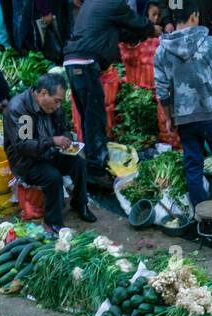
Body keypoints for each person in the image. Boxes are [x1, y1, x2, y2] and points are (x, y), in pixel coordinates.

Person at [155, 1, 212, 214]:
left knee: (193, 166)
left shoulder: (162, 50)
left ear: (175, 19)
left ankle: (201, 214)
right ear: (195, 16)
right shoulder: (209, 44)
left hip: (185, 119)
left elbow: (162, 91)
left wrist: (169, 118)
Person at [63, 0, 156, 188]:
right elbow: (138, 23)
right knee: (95, 117)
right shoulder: (113, 4)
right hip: (86, 62)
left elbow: (118, 33)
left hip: (72, 61)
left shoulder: (92, 4)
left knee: (87, 117)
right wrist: (152, 28)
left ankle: (90, 166)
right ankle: (96, 172)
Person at [3, 72, 94, 234]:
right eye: (57, 101)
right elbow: (23, 146)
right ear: (43, 93)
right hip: (26, 161)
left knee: (79, 163)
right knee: (52, 177)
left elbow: (64, 128)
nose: (58, 106)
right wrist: (52, 141)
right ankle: (53, 222)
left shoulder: (53, 107)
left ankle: (80, 203)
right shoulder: (21, 110)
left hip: (49, 152)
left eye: (60, 102)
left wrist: (65, 140)